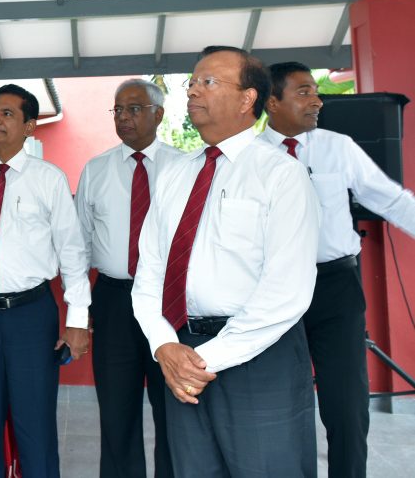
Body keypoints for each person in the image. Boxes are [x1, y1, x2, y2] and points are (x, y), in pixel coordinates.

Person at [131, 46, 321, 478]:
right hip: (183, 355)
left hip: (258, 357)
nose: (193, 90)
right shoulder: (176, 174)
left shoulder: (280, 173)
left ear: (247, 99)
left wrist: (204, 361)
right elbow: (150, 273)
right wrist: (164, 345)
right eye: (192, 82)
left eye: (208, 82)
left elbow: (287, 289)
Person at [258, 62, 415, 478]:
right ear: (272, 102)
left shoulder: (337, 146)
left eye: (316, 91)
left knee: (346, 404)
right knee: (277, 404)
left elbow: (392, 200)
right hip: (273, 291)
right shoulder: (248, 157)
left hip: (335, 287)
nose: (317, 100)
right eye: (304, 92)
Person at [0, 84, 91, 478]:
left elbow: (73, 253)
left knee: (34, 419)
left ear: (29, 127)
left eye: (7, 113)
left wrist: (77, 321)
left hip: (29, 315)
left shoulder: (48, 179)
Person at [75, 79, 181, 478]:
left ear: (158, 114)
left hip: (169, 303)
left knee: (174, 410)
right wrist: (78, 311)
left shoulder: (184, 167)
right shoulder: (97, 169)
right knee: (117, 412)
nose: (123, 117)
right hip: (114, 300)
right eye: (117, 110)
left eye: (134, 108)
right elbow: (79, 245)